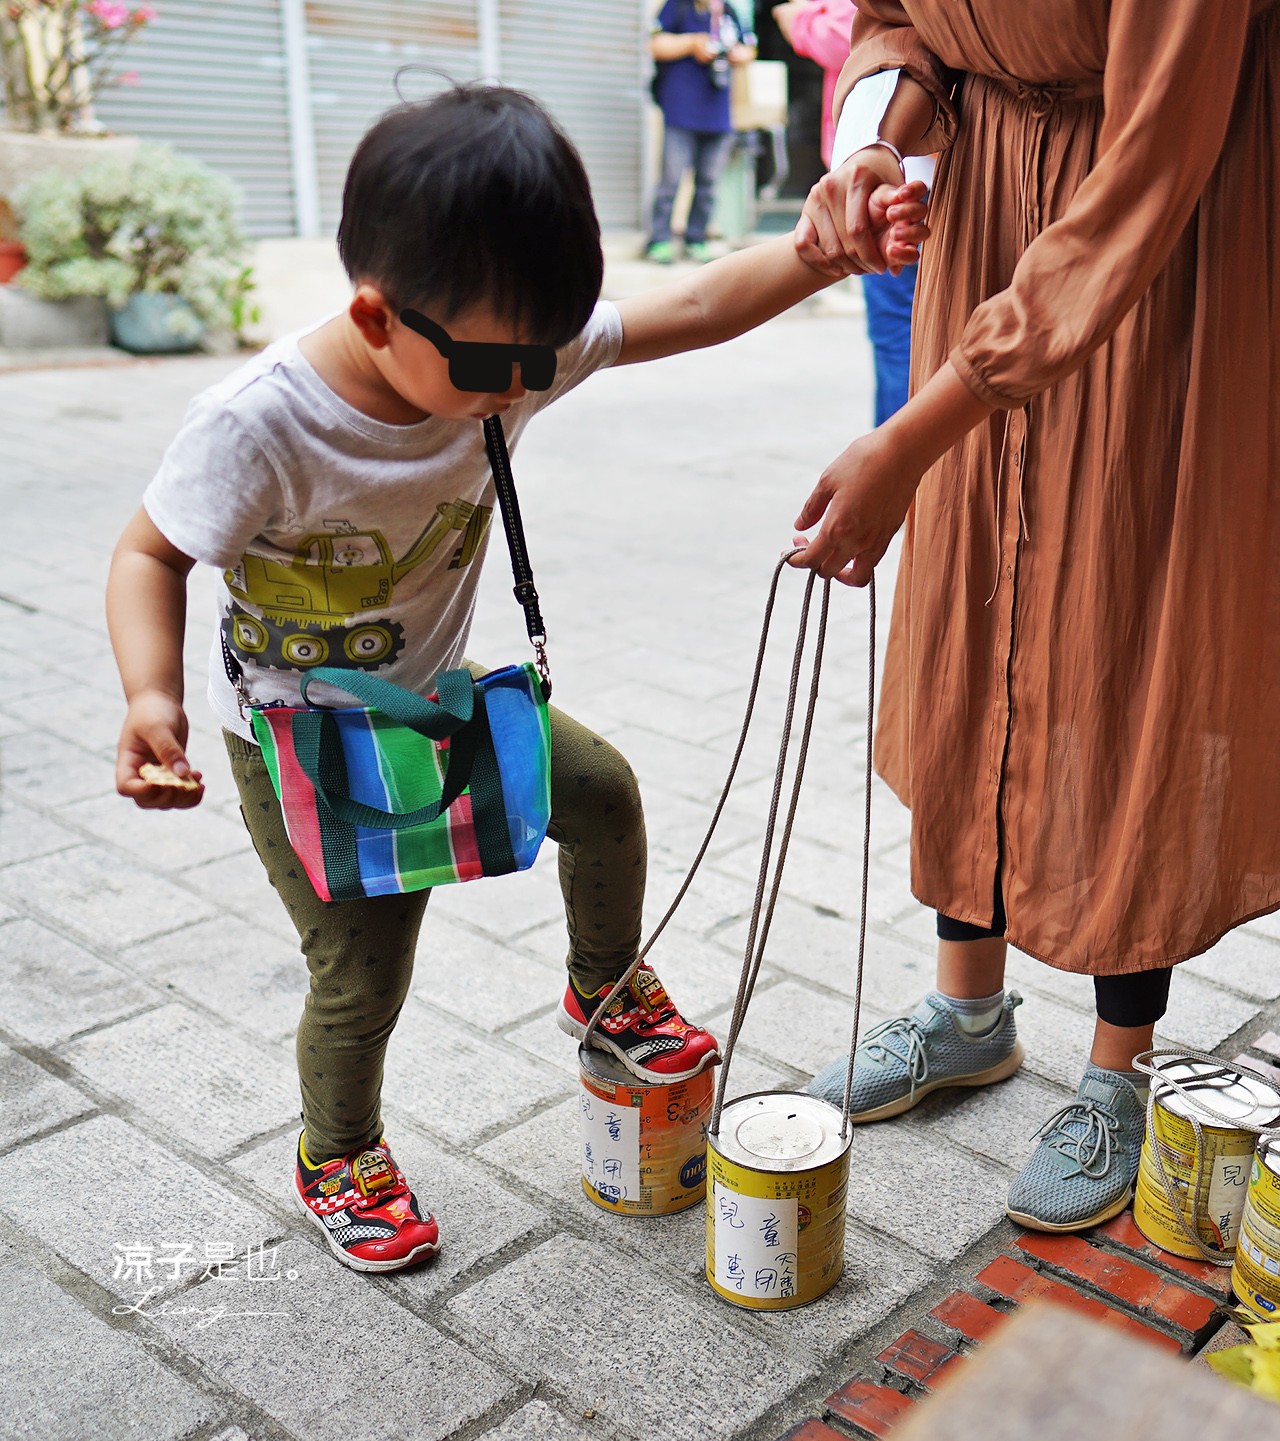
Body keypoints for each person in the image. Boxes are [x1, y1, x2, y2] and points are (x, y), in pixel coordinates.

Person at [106, 83, 927, 1273]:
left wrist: (818, 256)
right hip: (304, 743)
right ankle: (335, 1150)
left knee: (601, 793)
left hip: (437, 690)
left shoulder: (502, 350)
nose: (518, 386)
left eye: (541, 352)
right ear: (377, 317)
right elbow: (148, 550)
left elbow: (690, 304)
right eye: (497, 362)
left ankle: (604, 988)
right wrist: (150, 698)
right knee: (363, 964)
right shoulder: (261, 426)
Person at [793, 0, 1280, 1234]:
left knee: (1129, 622)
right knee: (973, 610)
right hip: (985, 222)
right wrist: (872, 142)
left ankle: (1118, 1066)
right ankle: (969, 1012)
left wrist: (907, 437)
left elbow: (1153, 161)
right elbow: (902, 23)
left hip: (1162, 237)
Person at [772, 0, 923, 424]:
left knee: (898, 335)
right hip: (879, 175)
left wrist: (801, 21)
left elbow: (858, 37)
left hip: (899, 178)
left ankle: (903, 468)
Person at [646, 0, 757, 263]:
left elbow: (749, 49)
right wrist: (692, 43)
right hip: (681, 111)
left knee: (708, 183)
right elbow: (655, 45)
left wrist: (737, 54)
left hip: (718, 114)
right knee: (671, 180)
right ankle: (659, 240)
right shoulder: (677, 6)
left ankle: (696, 238)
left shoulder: (729, 13)